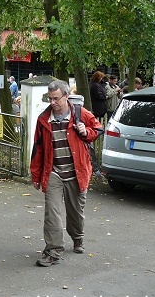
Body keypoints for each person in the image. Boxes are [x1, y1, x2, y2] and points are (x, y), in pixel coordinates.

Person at [30, 80, 103, 267]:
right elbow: (37, 149)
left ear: (66, 96)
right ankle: (53, 251)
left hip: (77, 172)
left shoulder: (80, 113)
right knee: (51, 212)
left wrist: (85, 132)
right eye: (50, 98)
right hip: (53, 172)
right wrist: (36, 175)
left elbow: (97, 129)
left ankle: (77, 237)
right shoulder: (43, 119)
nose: (52, 102)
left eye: (56, 98)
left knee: (75, 213)